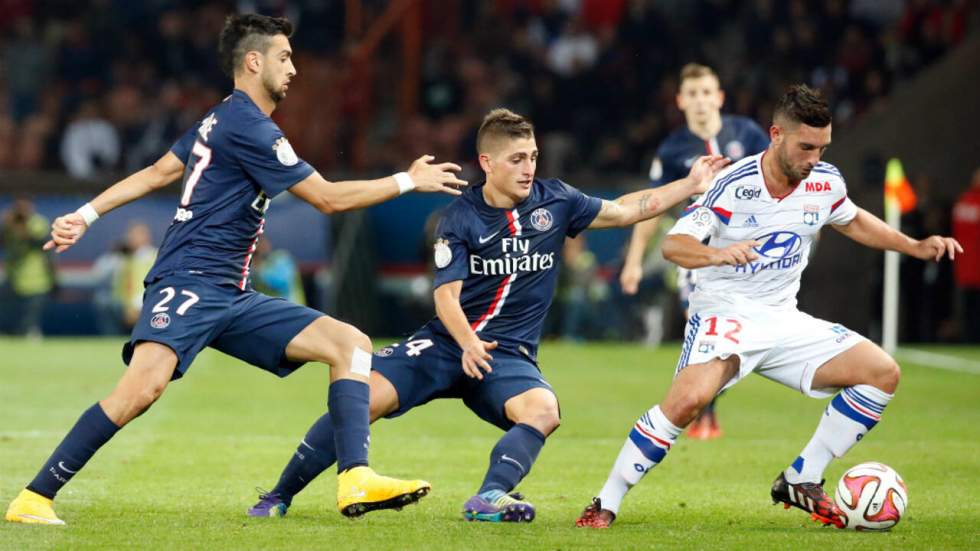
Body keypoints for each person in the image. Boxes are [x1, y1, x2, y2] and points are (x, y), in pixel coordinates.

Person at [5, 13, 466, 526]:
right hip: (189, 282)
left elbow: (159, 172)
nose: (294, 68)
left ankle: (355, 475)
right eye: (285, 58)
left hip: (231, 293)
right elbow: (328, 200)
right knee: (140, 391)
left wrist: (86, 214)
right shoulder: (250, 126)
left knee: (350, 344)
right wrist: (407, 180)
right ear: (254, 61)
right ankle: (34, 496)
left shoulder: (220, 118)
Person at [246, 108, 731, 522]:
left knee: (544, 412)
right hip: (445, 344)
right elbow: (446, 297)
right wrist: (468, 342)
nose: (528, 169)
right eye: (517, 159)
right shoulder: (459, 217)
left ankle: (489, 496)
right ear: (487, 162)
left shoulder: (556, 200)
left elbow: (626, 210)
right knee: (362, 397)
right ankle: (278, 495)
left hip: (509, 354)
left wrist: (689, 183)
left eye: (533, 158)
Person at [576, 85, 962, 530]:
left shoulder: (825, 181)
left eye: (822, 147)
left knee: (882, 373)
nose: (814, 158)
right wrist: (718, 253)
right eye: (805, 147)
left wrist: (912, 245)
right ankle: (605, 501)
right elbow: (674, 245)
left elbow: (852, 219)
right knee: (688, 403)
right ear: (776, 135)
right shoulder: (733, 184)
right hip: (724, 312)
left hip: (783, 317)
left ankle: (803, 478)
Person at [620, 63, 770, 440]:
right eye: (693, 94)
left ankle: (707, 404)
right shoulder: (673, 150)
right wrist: (634, 262)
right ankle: (704, 414)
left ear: (719, 97)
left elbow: (776, 182)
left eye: (707, 93)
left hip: (744, 249)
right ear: (681, 101)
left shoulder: (748, 135)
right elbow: (651, 207)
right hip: (695, 252)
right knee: (700, 324)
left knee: (741, 332)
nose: (701, 101)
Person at [0, 198, 55, 337]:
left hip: (36, 279)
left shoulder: (37, 222)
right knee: (8, 315)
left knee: (30, 319)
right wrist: (5, 225)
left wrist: (20, 226)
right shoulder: (9, 223)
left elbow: (38, 243)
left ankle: (30, 334)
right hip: (13, 277)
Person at [952, 167, 980, 342]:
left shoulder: (962, 201)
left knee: (969, 306)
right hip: (974, 263)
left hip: (964, 264)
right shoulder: (972, 202)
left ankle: (969, 338)